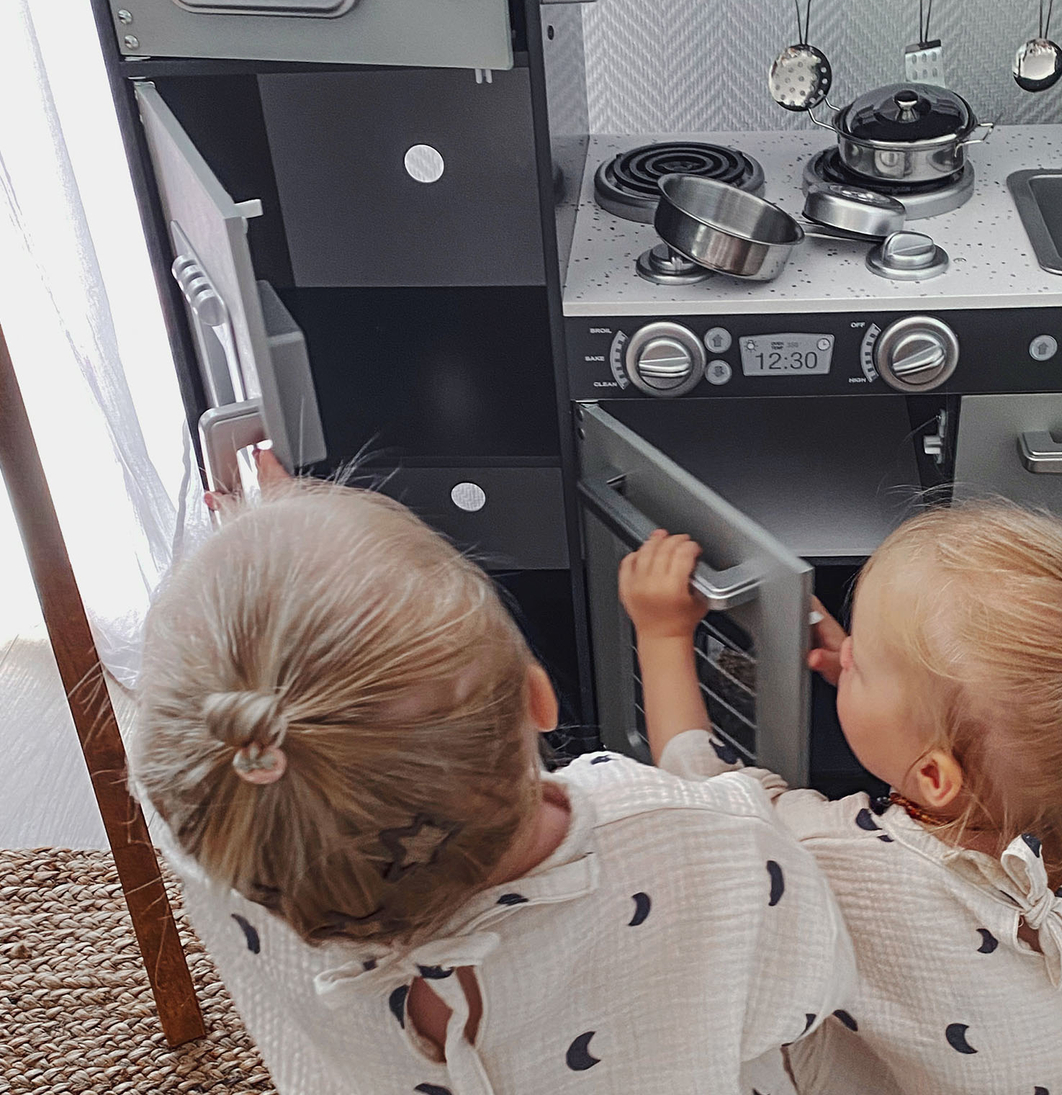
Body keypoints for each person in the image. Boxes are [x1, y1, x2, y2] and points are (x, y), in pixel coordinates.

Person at [134, 463, 853, 1095]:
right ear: (540, 696)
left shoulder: (229, 841)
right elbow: (807, 995)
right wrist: (664, 639)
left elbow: (244, 749)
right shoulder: (700, 839)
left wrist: (274, 590)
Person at [621, 501, 1062, 1095]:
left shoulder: (839, 858)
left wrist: (663, 633)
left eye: (863, 662)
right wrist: (882, 690)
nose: (848, 649)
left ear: (935, 777)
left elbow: (696, 789)